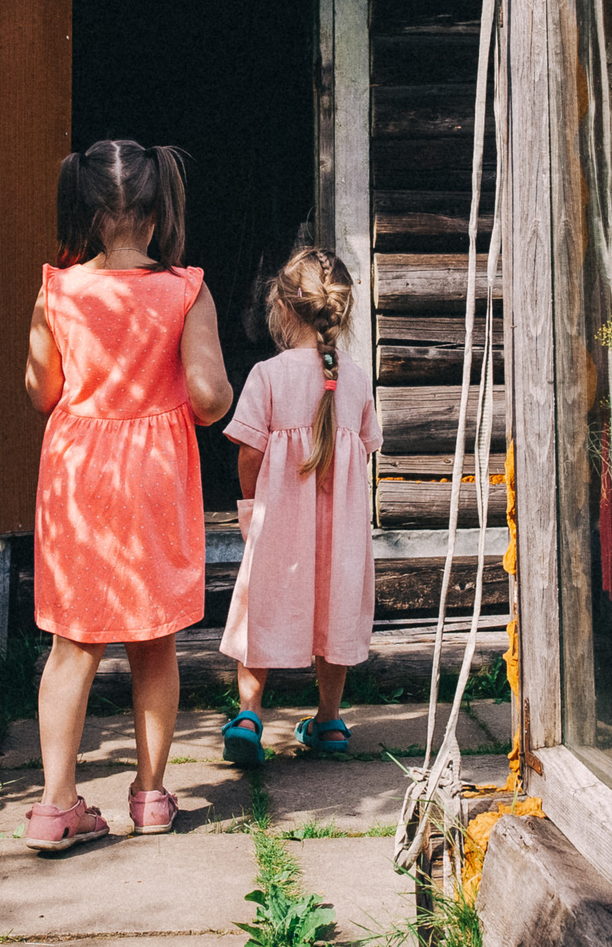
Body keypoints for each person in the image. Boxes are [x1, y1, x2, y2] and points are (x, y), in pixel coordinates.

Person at [22, 139, 233, 852]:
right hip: (152, 477)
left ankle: (54, 807)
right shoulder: (185, 290)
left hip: (79, 474)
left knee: (71, 644)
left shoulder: (56, 290)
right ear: (153, 213)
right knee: (154, 642)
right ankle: (149, 795)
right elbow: (207, 398)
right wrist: (212, 388)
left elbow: (41, 390)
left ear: (84, 209)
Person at [218, 249, 382, 764]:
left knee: (258, 605)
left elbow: (249, 453)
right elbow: (365, 453)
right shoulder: (355, 379)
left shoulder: (268, 375)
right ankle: (330, 721)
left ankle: (249, 713)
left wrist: (250, 508)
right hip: (342, 538)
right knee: (333, 615)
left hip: (280, 527)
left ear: (283, 309)